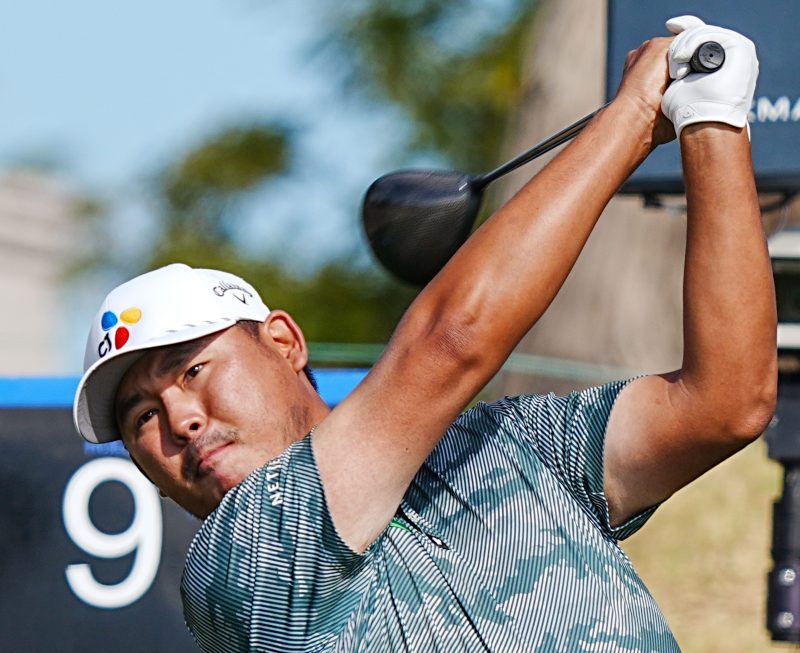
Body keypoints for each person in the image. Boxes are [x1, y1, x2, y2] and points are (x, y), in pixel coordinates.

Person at [72, 15, 775, 653]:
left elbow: (725, 403)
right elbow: (451, 342)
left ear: (284, 343)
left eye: (192, 371)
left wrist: (711, 121)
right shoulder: (238, 571)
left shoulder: (502, 446)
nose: (181, 420)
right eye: (142, 418)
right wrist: (635, 113)